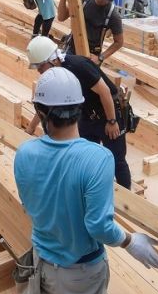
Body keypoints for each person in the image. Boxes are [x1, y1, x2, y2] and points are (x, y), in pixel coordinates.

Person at [14, 67, 158, 294]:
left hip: (43, 262)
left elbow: (28, 204)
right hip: (84, 269)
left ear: (40, 112)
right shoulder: (97, 159)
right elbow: (98, 225)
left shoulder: (24, 154)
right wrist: (130, 241)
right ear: (80, 109)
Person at [26, 36, 131, 188]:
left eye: (41, 67)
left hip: (108, 112)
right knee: (86, 157)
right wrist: (30, 128)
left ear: (53, 59)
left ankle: (126, 203)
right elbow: (46, 105)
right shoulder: (55, 76)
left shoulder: (78, 65)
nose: (40, 72)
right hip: (86, 116)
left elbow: (105, 92)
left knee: (117, 160)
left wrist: (112, 121)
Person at [57, 0, 124, 65]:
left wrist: (100, 58)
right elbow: (61, 17)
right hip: (72, 49)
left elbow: (119, 42)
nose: (104, 0)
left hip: (92, 57)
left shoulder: (113, 15)